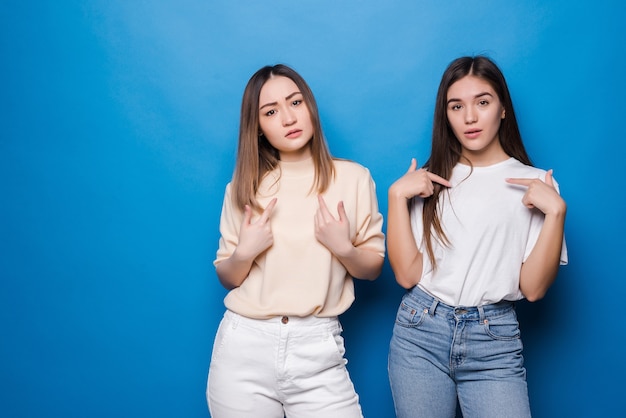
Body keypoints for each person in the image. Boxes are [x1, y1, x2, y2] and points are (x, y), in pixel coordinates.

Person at [386, 56, 568, 418]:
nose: (469, 117)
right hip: (421, 332)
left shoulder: (535, 185)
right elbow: (407, 275)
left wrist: (557, 214)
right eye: (457, 106)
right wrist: (396, 197)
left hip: (494, 340)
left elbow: (533, 288)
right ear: (446, 115)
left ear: (502, 109)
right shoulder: (429, 180)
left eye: (482, 102)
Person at [206, 64, 385, 418]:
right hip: (244, 348)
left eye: (295, 102)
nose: (288, 118)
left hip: (317, 346)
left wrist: (343, 248)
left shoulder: (353, 178)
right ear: (257, 128)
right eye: (271, 112)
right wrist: (245, 252)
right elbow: (228, 276)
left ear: (310, 107)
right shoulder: (242, 187)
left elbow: (374, 267)